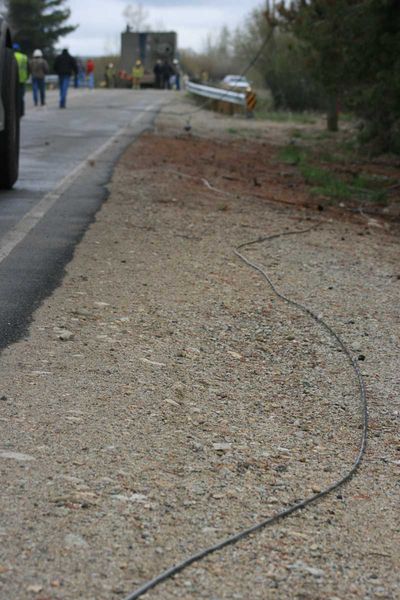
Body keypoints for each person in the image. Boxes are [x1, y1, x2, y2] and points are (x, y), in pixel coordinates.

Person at [13, 43, 29, 116]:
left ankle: (14, 112)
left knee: (13, 96)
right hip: (22, 79)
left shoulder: (11, 56)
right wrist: (26, 77)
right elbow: (28, 69)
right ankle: (21, 112)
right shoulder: (24, 57)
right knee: (21, 97)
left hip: (13, 80)